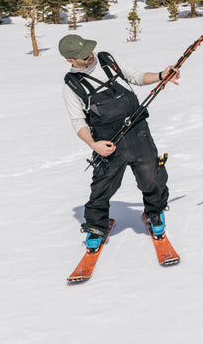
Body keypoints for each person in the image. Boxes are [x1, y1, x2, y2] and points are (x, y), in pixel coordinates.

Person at [60, 33, 180, 248]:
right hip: (107, 141)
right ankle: (97, 226)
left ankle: (154, 213)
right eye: (83, 55)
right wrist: (93, 144)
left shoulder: (107, 59)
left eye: (88, 50)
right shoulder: (72, 85)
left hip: (137, 130)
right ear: (70, 60)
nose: (89, 56)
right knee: (102, 186)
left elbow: (136, 77)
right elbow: (78, 121)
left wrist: (162, 75)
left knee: (151, 176)